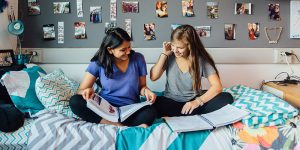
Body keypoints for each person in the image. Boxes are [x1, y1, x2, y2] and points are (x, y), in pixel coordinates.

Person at [70, 27, 157, 127]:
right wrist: (86, 91)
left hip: (130, 108)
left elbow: (141, 87)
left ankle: (119, 124)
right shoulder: (98, 62)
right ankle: (117, 125)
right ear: (110, 50)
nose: (128, 52)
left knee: (151, 111)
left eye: (129, 47)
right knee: (75, 101)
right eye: (123, 50)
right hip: (106, 108)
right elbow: (81, 90)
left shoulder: (138, 58)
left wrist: (146, 91)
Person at [150, 24, 233, 117]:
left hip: (193, 102)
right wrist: (164, 54)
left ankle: (184, 113)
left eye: (180, 48)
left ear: (190, 46)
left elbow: (217, 86)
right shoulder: (169, 56)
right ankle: (188, 114)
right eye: (173, 45)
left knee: (226, 97)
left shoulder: (201, 60)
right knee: (151, 105)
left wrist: (197, 102)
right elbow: (153, 77)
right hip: (170, 102)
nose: (175, 50)